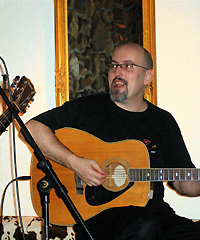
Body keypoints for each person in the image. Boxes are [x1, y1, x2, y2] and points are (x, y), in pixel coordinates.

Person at [24, 43, 200, 239]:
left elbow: (185, 182)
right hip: (99, 217)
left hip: (155, 215)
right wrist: (74, 163)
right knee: (145, 227)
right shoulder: (88, 108)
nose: (117, 72)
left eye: (127, 66)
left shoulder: (163, 121)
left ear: (147, 77)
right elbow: (31, 129)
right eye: (114, 65)